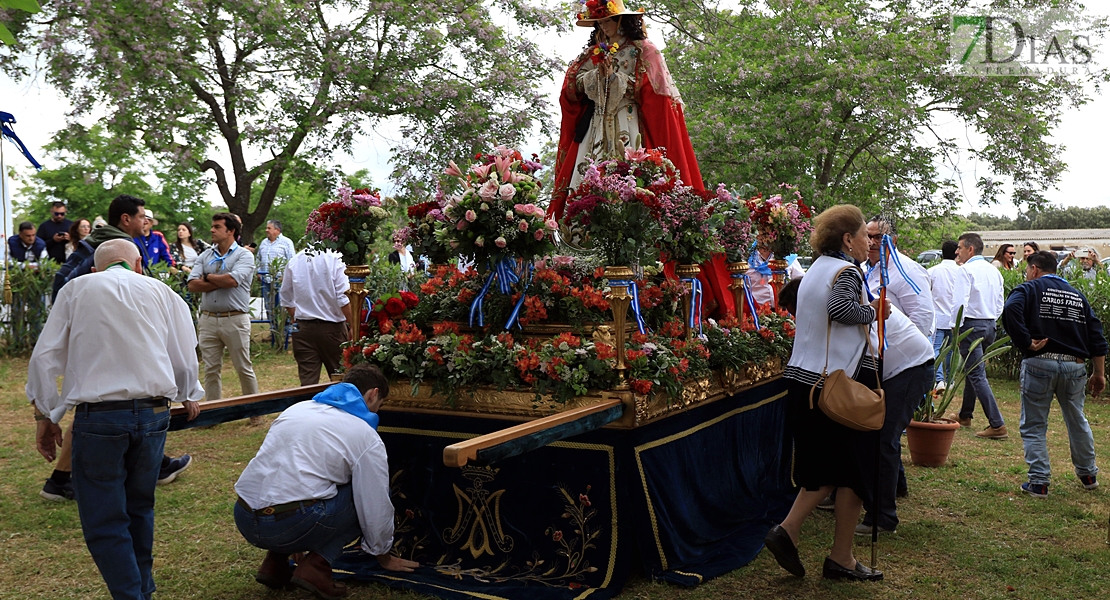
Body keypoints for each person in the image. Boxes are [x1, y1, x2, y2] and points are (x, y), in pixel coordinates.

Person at [27, 239, 203, 600]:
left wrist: (45, 414)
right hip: (154, 413)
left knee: (105, 518)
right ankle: (142, 589)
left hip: (100, 418)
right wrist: (188, 392)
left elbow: (45, 357)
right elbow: (185, 355)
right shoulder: (162, 291)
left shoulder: (77, 288)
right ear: (138, 264)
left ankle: (131, 594)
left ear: (96, 269)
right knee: (140, 507)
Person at [549, 0, 734, 319]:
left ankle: (641, 272)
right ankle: (583, 271)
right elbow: (571, 87)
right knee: (585, 188)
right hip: (595, 131)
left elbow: (656, 97)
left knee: (633, 188)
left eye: (607, 20)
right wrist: (593, 80)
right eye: (598, 22)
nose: (602, 27)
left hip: (629, 127)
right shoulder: (591, 54)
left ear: (621, 20)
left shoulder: (643, 51)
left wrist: (617, 81)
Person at [764, 204, 888, 582]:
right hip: (832, 386)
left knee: (827, 469)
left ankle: (817, 544)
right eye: (865, 235)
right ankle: (827, 550)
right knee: (850, 470)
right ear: (848, 239)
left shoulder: (817, 267)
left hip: (805, 381)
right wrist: (877, 310)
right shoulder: (846, 270)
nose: (870, 242)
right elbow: (842, 309)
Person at [234, 364, 419, 596]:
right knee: (364, 493)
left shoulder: (297, 409)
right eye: (379, 405)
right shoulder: (364, 434)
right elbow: (374, 503)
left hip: (244, 516)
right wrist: (382, 554)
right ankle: (316, 566)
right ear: (373, 394)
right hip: (290, 524)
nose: (376, 412)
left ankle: (275, 561)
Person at [1002, 251, 1106, 498]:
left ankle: (1039, 482)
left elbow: (1010, 309)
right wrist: (1099, 373)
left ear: (1035, 269)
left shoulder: (1028, 289)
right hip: (1074, 366)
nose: (1027, 275)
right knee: (1077, 420)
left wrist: (1026, 342)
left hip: (1040, 363)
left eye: (1028, 271)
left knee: (1035, 423)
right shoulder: (1077, 295)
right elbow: (1096, 336)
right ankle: (1088, 474)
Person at [857, 304, 935, 534]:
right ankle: (895, 488)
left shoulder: (851, 307)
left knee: (883, 439)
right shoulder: (855, 303)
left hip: (911, 367)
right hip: (903, 368)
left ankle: (882, 518)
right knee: (882, 436)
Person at [187, 213, 259, 418]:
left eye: (217, 227)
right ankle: (213, 413)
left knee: (243, 367)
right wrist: (220, 280)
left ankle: (255, 412)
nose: (211, 230)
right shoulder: (205, 255)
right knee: (210, 369)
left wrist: (208, 277)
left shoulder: (244, 255)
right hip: (208, 319)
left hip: (234, 318)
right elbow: (192, 285)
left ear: (230, 231)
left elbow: (232, 281)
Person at [955, 232, 1007, 438]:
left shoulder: (966, 270)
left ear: (970, 249)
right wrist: (991, 319)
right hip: (989, 325)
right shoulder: (994, 271)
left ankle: (997, 424)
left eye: (959, 248)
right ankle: (965, 415)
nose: (957, 251)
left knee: (976, 374)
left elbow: (959, 302)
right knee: (973, 370)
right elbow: (1000, 301)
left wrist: (955, 326)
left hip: (971, 325)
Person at [281, 248, 352, 385]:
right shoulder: (335, 258)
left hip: (303, 328)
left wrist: (295, 316)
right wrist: (354, 325)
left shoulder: (296, 259)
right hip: (332, 328)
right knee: (342, 379)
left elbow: (285, 296)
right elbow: (343, 298)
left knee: (307, 383)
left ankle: (307, 405)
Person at [863, 216, 935, 339]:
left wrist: (907, 349)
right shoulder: (862, 266)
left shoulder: (908, 270)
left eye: (879, 237)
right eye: (868, 236)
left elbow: (922, 315)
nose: (872, 242)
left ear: (894, 240)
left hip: (897, 349)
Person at [927, 240, 971, 391]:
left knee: (936, 349)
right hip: (956, 319)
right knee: (952, 351)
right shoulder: (962, 271)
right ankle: (950, 379)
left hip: (937, 318)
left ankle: (939, 379)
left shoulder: (932, 271)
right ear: (956, 253)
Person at [257, 219, 296, 321]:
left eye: (269, 228)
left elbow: (292, 261)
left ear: (277, 230)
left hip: (280, 281)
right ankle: (273, 331)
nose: (266, 230)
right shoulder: (264, 243)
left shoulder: (287, 242)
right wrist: (258, 272)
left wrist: (285, 276)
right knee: (268, 307)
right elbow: (258, 258)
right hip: (265, 281)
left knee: (282, 307)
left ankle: (283, 332)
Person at [747, 241, 806, 308]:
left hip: (785, 311)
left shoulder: (788, 257)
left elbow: (802, 283)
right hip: (756, 311)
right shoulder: (747, 259)